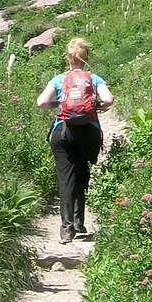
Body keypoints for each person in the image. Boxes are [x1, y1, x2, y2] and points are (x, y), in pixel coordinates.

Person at [36, 38, 113, 243]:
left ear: (68, 58)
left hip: (62, 131)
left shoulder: (59, 79)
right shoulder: (94, 78)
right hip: (88, 132)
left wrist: (59, 103)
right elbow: (108, 99)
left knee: (66, 178)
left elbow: (41, 102)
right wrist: (96, 106)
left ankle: (67, 229)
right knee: (82, 171)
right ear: (86, 57)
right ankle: (79, 222)